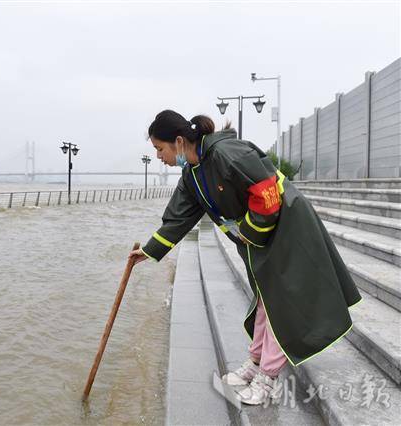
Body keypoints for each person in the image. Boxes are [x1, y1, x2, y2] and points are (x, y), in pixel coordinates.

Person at [129, 110, 362, 406]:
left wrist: (247, 234)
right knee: (266, 297)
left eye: (159, 149)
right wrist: (149, 251)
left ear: (178, 141)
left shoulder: (228, 153)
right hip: (258, 234)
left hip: (285, 225)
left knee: (281, 301)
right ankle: (255, 362)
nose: (160, 157)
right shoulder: (192, 174)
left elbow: (267, 194)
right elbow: (178, 218)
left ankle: (268, 377)